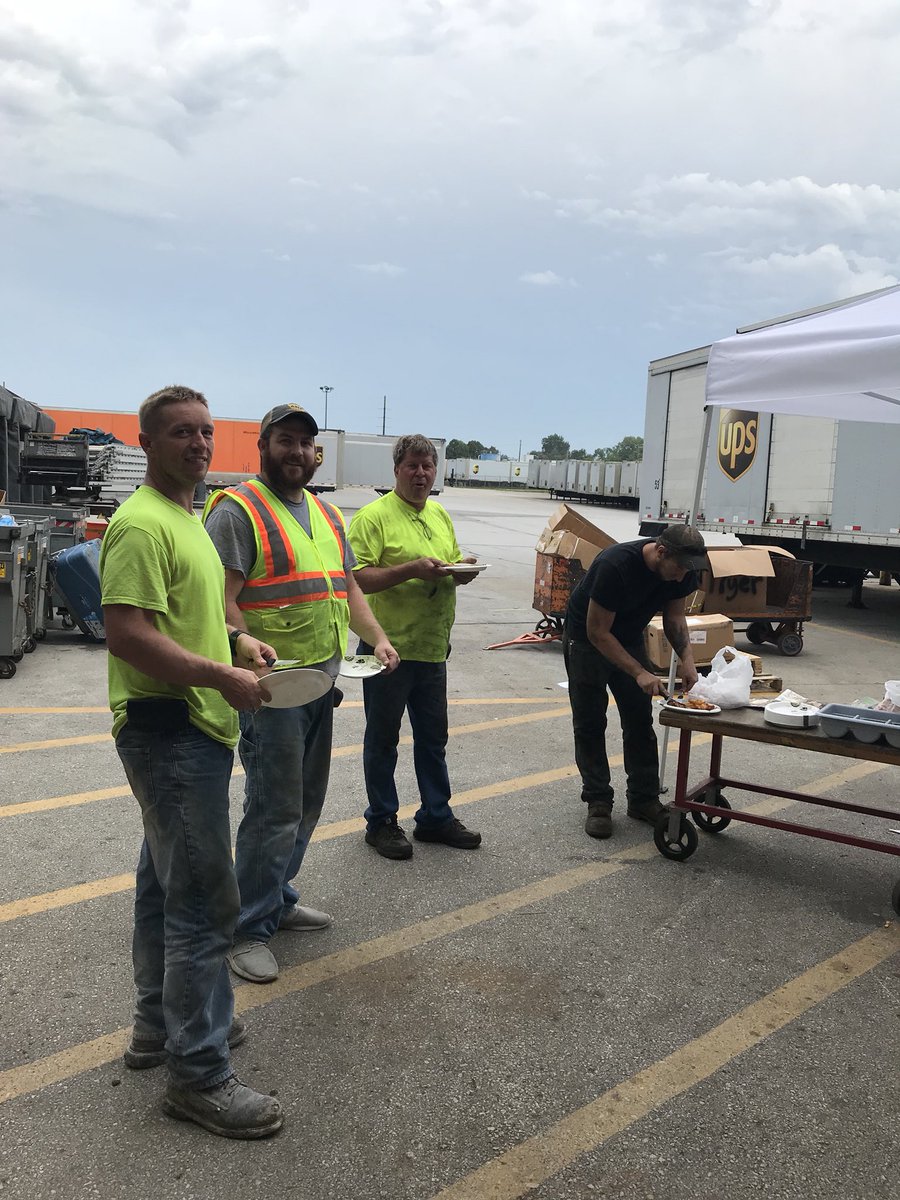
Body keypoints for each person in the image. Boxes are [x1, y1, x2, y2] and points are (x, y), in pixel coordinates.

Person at [100, 384, 283, 1140]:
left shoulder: (190, 517)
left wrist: (236, 643)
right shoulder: (141, 524)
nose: (200, 444)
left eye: (206, 432)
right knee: (205, 902)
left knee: (162, 884)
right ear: (147, 442)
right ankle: (199, 1075)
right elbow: (127, 634)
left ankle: (158, 1027)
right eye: (181, 433)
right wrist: (222, 679)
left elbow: (190, 616)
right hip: (171, 728)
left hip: (190, 726)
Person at [204, 404, 399, 982]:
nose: (297, 452)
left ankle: (276, 897)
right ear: (262, 446)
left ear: (318, 453)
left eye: (306, 443)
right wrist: (240, 644)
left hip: (322, 681)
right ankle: (246, 928)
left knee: (306, 803)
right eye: (285, 440)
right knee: (273, 806)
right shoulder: (238, 510)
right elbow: (221, 599)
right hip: (271, 689)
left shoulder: (327, 513)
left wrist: (378, 639)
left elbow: (348, 589)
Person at [348, 433, 482, 860]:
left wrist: (461, 569)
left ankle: (435, 817)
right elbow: (357, 578)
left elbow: (448, 561)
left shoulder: (440, 513)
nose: (421, 474)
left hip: (431, 647)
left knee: (432, 738)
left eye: (428, 466)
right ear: (396, 470)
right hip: (388, 648)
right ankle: (382, 820)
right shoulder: (373, 517)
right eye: (413, 466)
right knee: (383, 739)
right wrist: (410, 570)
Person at [563, 524, 708, 840]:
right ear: (660, 552)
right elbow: (597, 632)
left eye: (689, 571)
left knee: (640, 720)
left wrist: (687, 662)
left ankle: (643, 799)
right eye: (680, 568)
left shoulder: (682, 569)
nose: (683, 576)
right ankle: (598, 801)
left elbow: (674, 618)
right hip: (586, 640)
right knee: (589, 723)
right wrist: (639, 671)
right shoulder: (615, 565)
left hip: (628, 637)